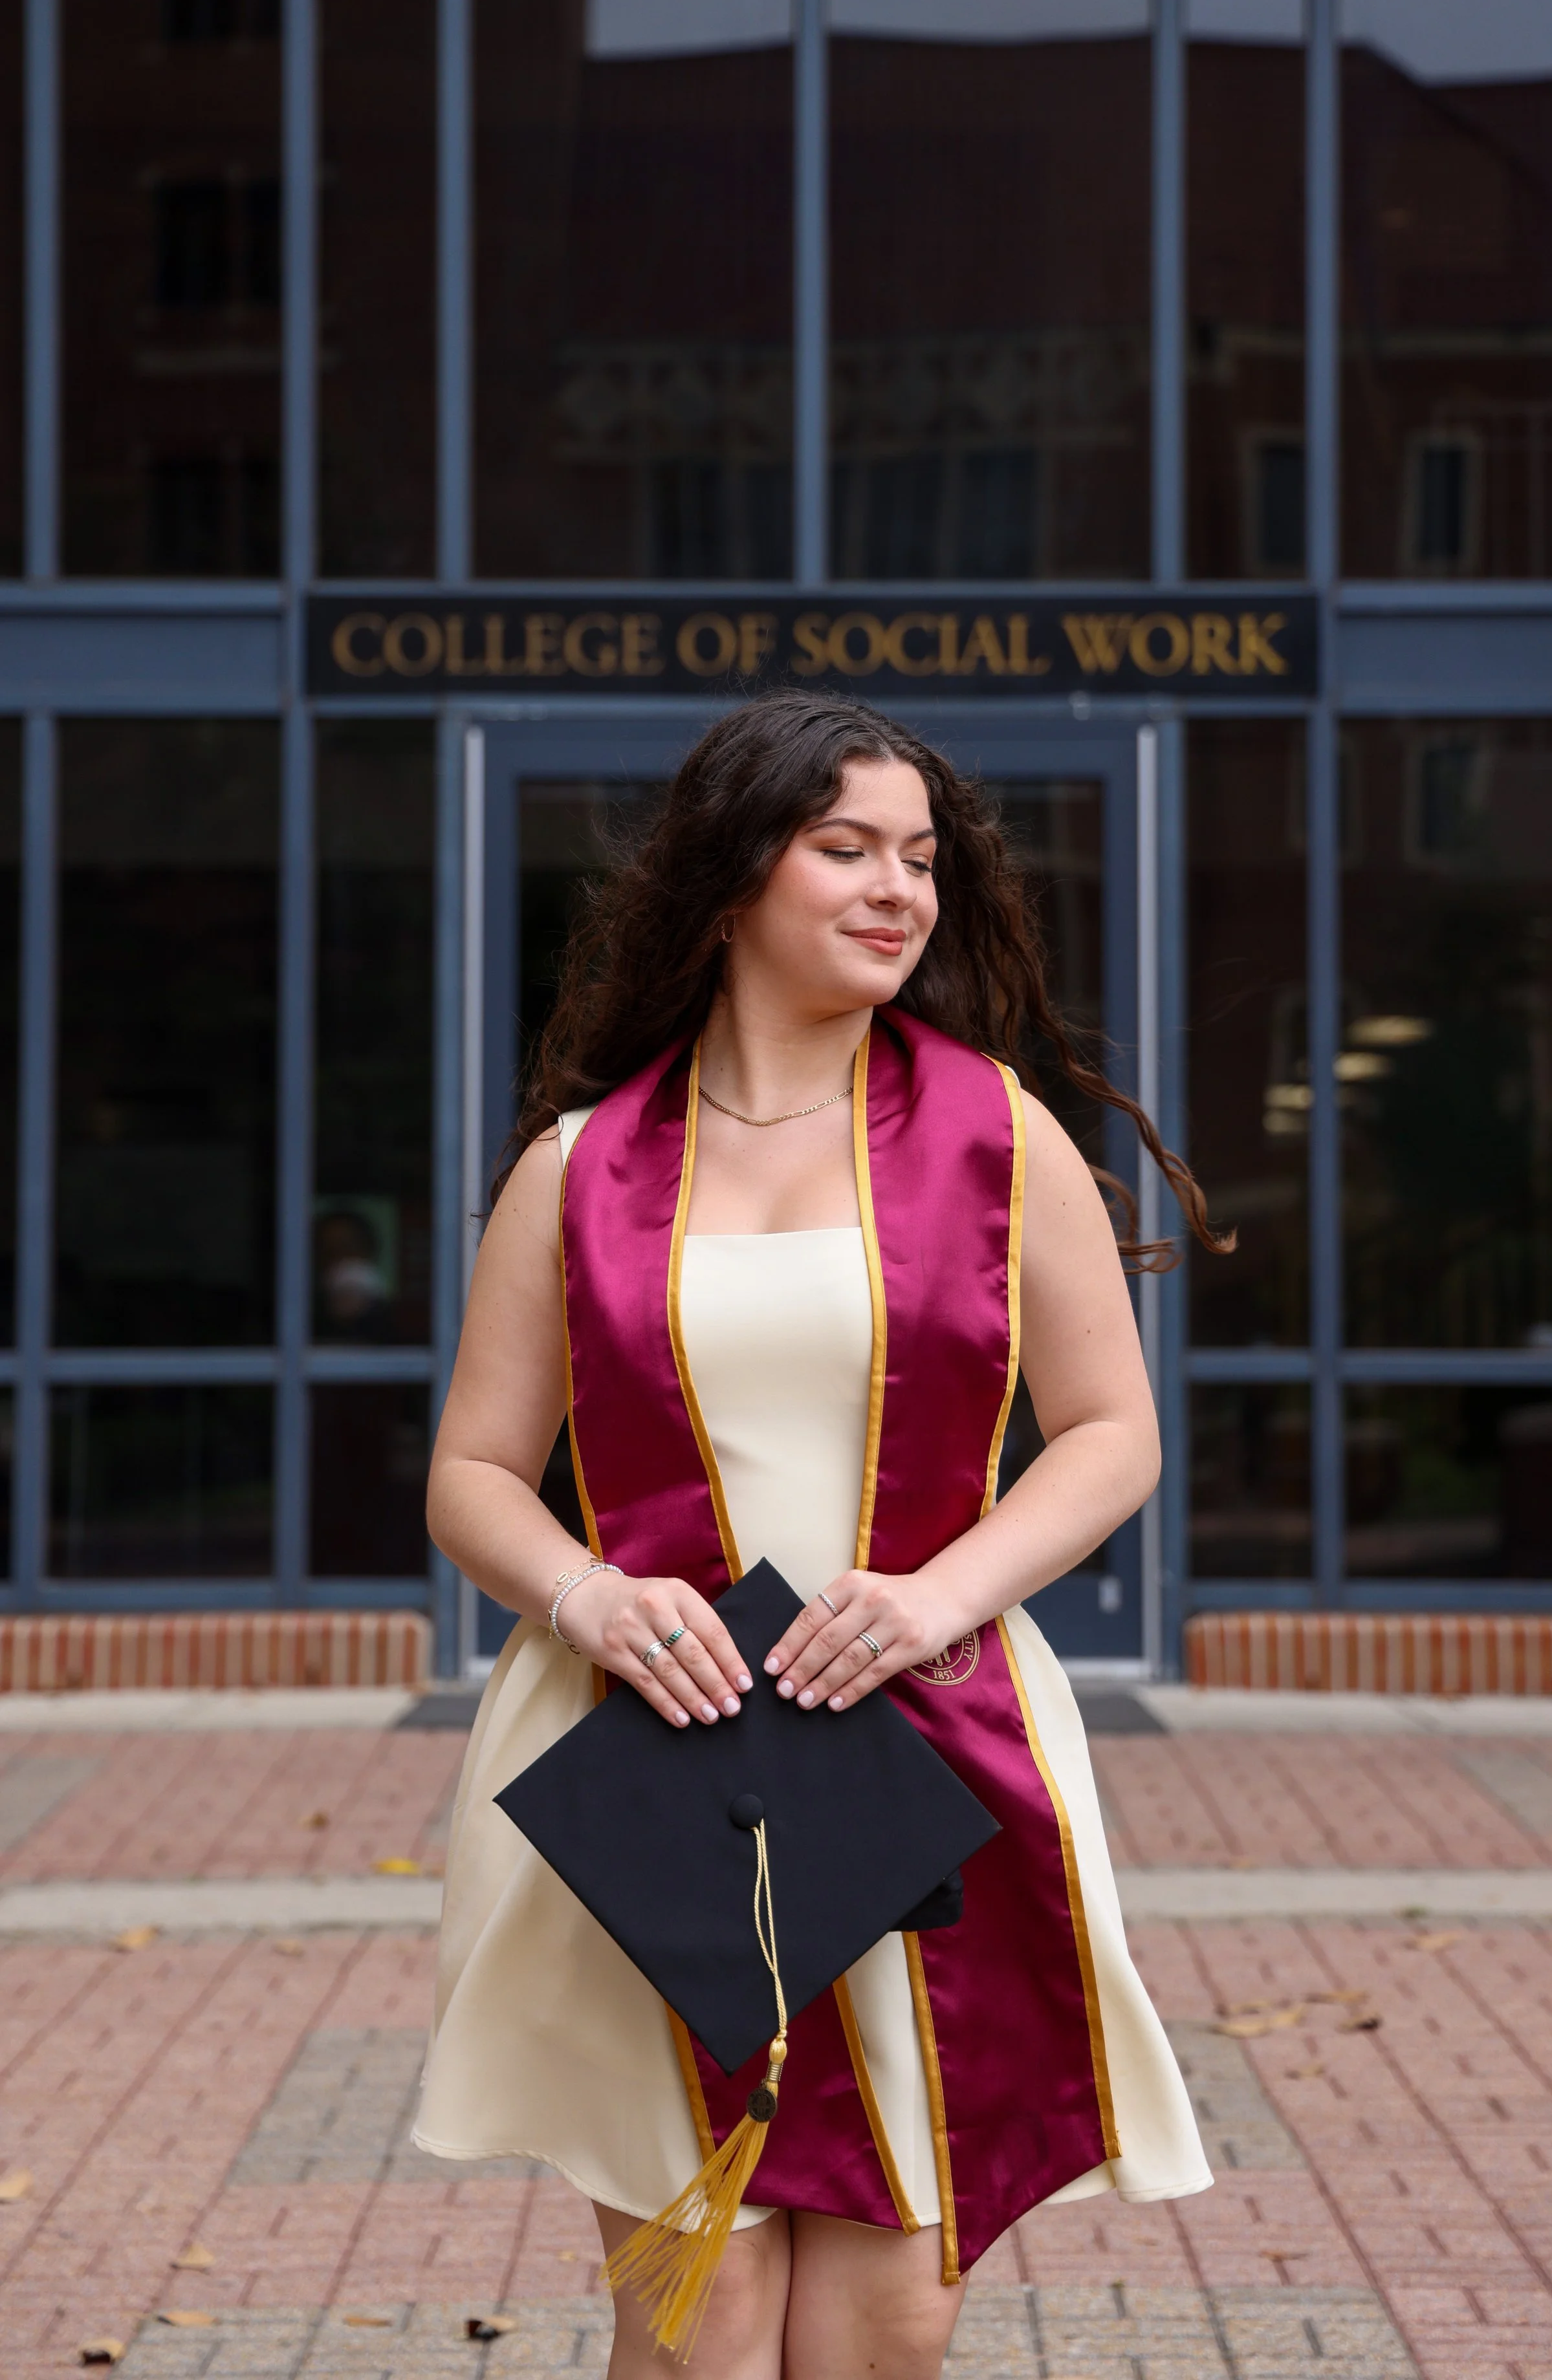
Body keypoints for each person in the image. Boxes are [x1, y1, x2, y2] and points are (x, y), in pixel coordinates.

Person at [419, 690, 1223, 2380]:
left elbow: (1111, 1434)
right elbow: (474, 1474)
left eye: (919, 856)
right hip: (648, 1741)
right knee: (693, 2315)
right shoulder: (576, 1167)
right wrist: (584, 1590)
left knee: (885, 2321)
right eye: (844, 847)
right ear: (729, 880)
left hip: (935, 1742)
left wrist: (938, 1596)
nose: (897, 888)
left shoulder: (998, 1132)